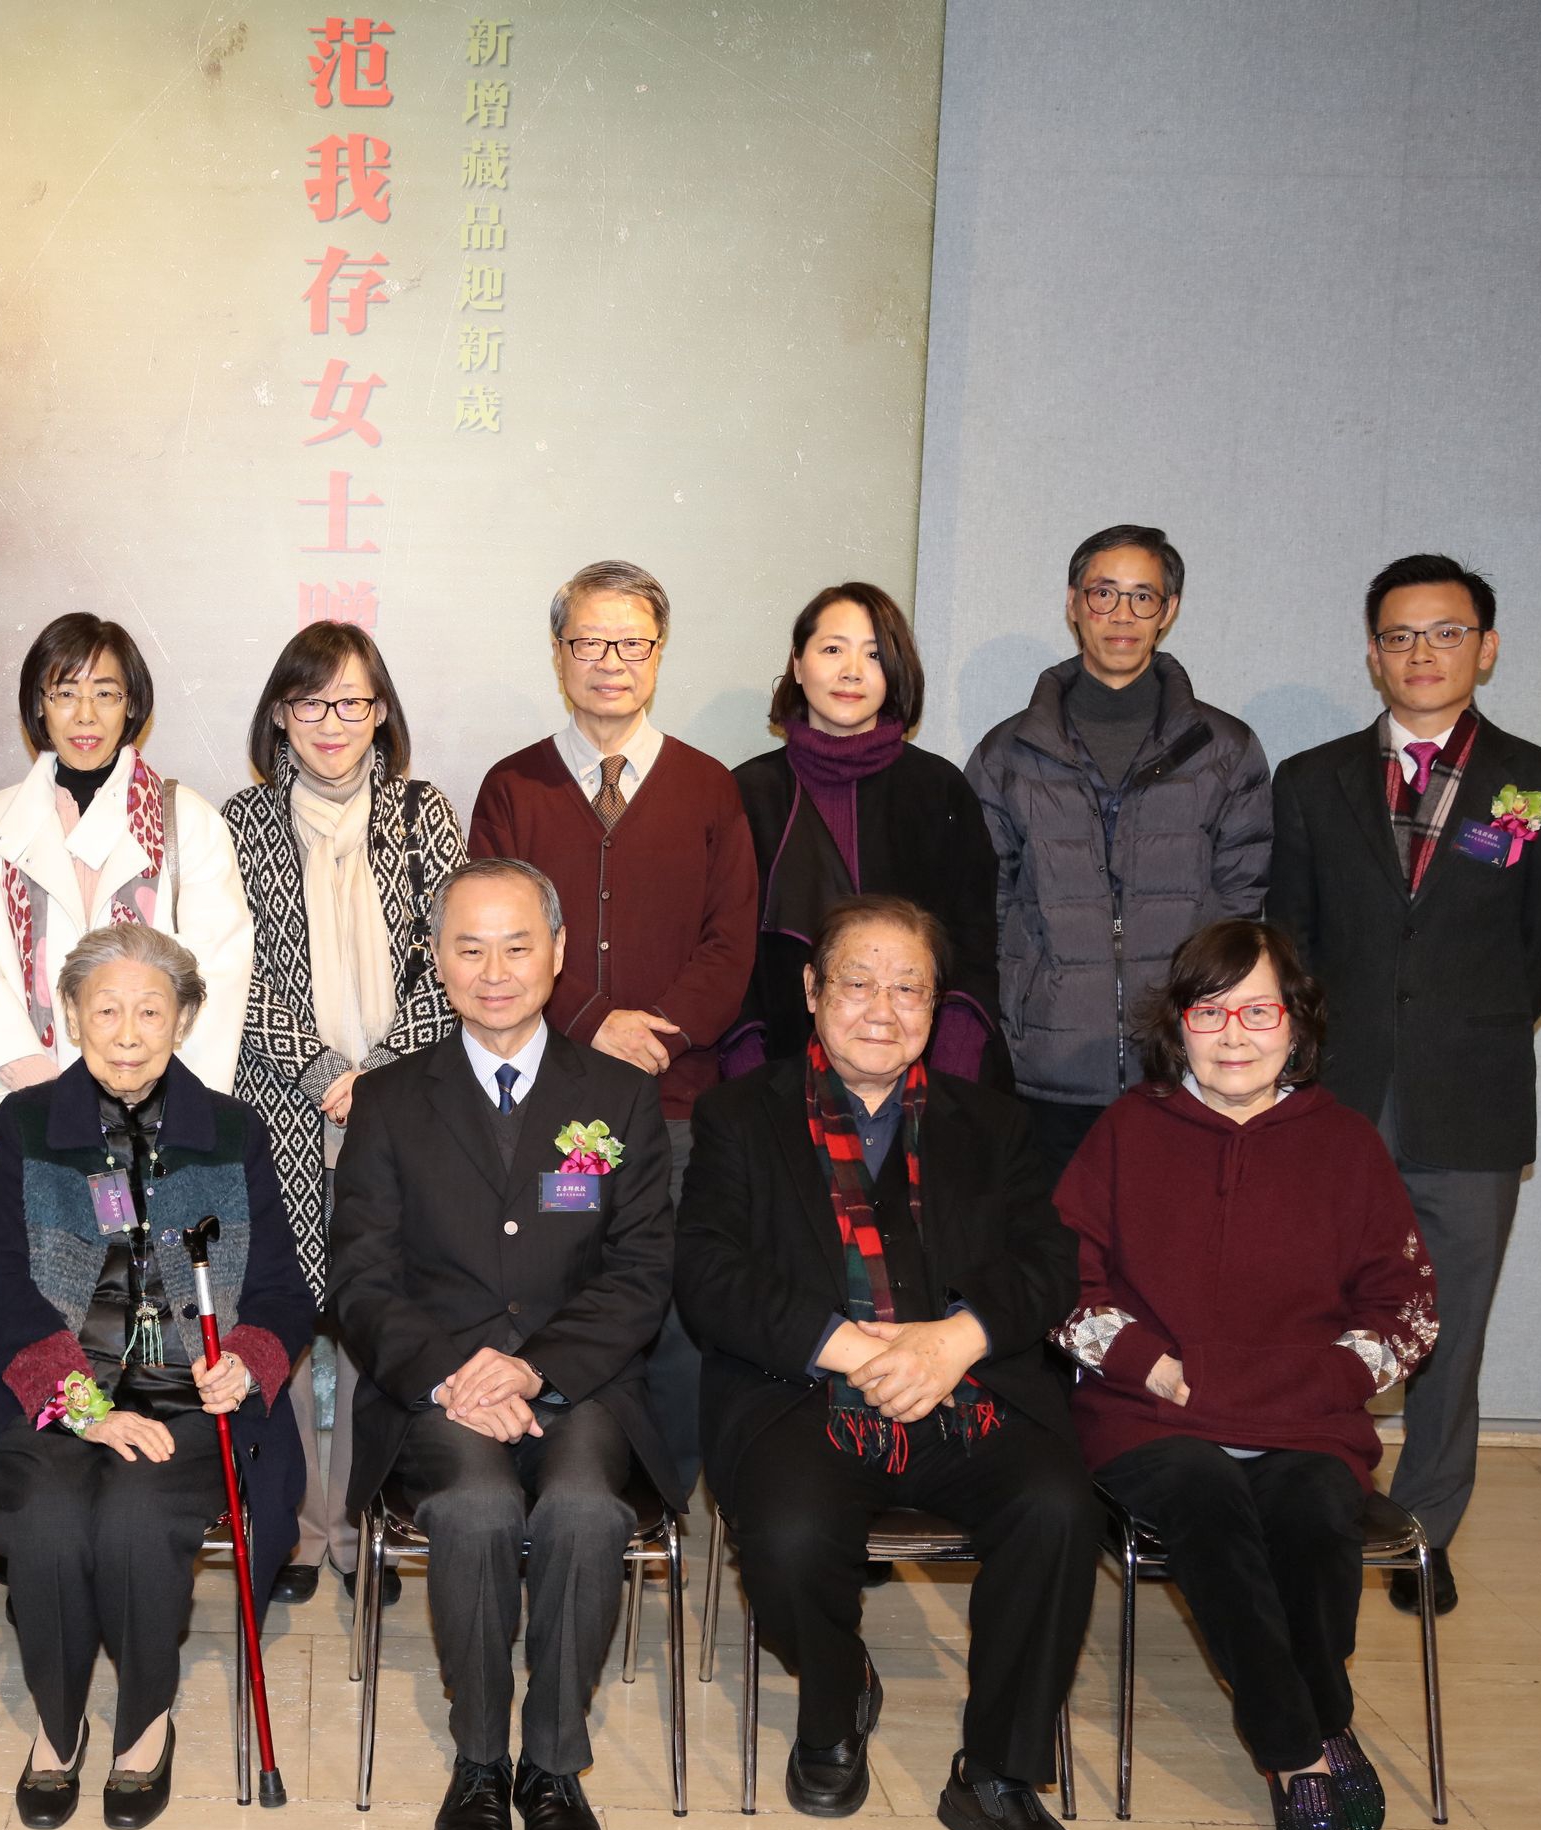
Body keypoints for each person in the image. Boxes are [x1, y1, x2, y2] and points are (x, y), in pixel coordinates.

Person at [674, 894, 1097, 1830]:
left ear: (936, 1005)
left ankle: (996, 1776)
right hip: (803, 1382)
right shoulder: (740, 1115)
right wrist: (853, 1346)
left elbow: (1049, 1263)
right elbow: (710, 1272)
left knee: (1057, 1507)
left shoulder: (992, 1122)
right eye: (857, 980)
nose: (881, 1005)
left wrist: (955, 1338)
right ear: (813, 990)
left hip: (965, 1384)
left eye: (907, 985)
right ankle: (834, 1698)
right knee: (782, 1530)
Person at [1054, 918, 1438, 1830]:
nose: (1233, 1034)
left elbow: (1410, 1309)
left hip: (1303, 1418)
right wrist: (1145, 1361)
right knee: (1210, 1505)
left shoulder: (1346, 1146)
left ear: (1295, 1025)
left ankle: (1314, 1718)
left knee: (1316, 1513)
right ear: (1176, 1026)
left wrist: (1323, 1379)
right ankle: (1301, 1749)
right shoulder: (1125, 1133)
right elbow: (1061, 1282)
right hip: (1155, 1418)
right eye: (1209, 1011)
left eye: (1257, 1011)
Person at [0, 925, 313, 1830]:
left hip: (186, 1399)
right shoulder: (25, 1125)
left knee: (137, 1522)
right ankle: (57, 1731)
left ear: (184, 1021)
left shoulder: (232, 1132)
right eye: (106, 1010)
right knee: (51, 1524)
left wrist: (245, 1362)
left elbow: (288, 1291)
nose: (127, 1032)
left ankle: (143, 1724)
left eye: (150, 1011)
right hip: (57, 1392)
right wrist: (82, 1405)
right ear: (71, 1016)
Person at [331, 858, 681, 1830]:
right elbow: (359, 1275)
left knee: (582, 1508)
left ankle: (554, 1765)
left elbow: (640, 1272)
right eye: (469, 946)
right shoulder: (392, 1100)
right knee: (477, 1509)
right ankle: (481, 1758)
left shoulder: (616, 1095)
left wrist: (533, 1371)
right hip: (436, 1388)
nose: (495, 969)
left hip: (582, 1379)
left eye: (518, 944)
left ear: (560, 953)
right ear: (435, 961)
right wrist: (452, 1373)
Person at [1267, 553, 1541, 1616]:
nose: (1422, 653)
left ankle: (1426, 1527)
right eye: (1401, 635)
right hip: (1338, 1100)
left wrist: (1464, 1024)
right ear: (1371, 653)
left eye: (1446, 632)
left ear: (1486, 648)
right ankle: (1322, 1501)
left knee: (1447, 1329)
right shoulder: (1313, 780)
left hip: (1471, 1101)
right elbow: (1293, 934)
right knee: (1320, 1315)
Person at [469, 560, 756, 1486]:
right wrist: (591, 1023)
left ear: (659, 653)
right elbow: (488, 937)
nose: (610, 661)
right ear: (558, 654)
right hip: (543, 1096)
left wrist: (654, 1033)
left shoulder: (710, 786)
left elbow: (731, 942)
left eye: (631, 642)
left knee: (667, 1303)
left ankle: (658, 1496)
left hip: (672, 1100)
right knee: (548, 1288)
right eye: (589, 641)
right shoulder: (513, 786)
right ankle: (551, 1481)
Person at [220, 621, 463, 1605]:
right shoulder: (240, 821)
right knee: (284, 1322)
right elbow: (232, 974)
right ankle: (291, 1525)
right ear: (281, 711)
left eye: (355, 701)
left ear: (381, 713)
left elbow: (459, 955)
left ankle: (361, 1521)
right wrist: (325, 1069)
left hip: (401, 1112)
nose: (334, 722)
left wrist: (381, 1075)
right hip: (279, 1105)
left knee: (375, 1326)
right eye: (313, 701)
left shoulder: (422, 813)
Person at [0, 613, 255, 1278]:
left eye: (106, 693)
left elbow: (218, 965)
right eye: (64, 692)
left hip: (158, 1104)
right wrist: (50, 1094)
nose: (86, 713)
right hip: (36, 1100)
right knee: (40, 1292)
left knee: (156, 1296)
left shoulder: (183, 820)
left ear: (132, 704)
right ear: (37, 707)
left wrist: (155, 1089)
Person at [967, 525, 1270, 1185]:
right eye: (1104, 594)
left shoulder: (1225, 750)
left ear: (1170, 611)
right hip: (1045, 1073)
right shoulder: (1007, 753)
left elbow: (1243, 910)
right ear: (1074, 604)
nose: (1123, 615)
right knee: (1052, 1271)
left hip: (1183, 1067)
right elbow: (984, 910)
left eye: (1143, 597)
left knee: (1174, 1274)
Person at [735, 582, 1001, 1085]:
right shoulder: (747, 793)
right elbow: (730, 955)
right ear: (797, 663)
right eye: (832, 648)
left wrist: (950, 1078)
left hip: (925, 1072)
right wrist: (750, 1084)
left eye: (874, 654)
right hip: (778, 1078)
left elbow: (974, 941)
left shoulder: (939, 789)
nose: (852, 670)